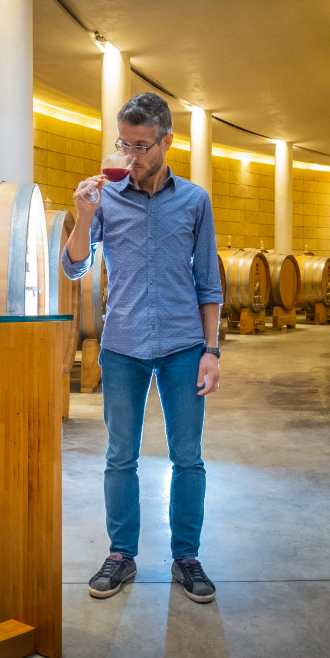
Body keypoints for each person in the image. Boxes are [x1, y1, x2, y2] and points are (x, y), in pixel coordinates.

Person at [62, 92, 223, 603]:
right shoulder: (105, 196)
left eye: (141, 146)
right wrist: (83, 217)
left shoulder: (195, 201)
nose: (130, 156)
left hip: (182, 345)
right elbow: (74, 266)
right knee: (119, 456)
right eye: (123, 144)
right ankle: (121, 554)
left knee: (188, 458)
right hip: (123, 344)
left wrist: (212, 350)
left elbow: (209, 285)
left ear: (167, 141)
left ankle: (187, 557)